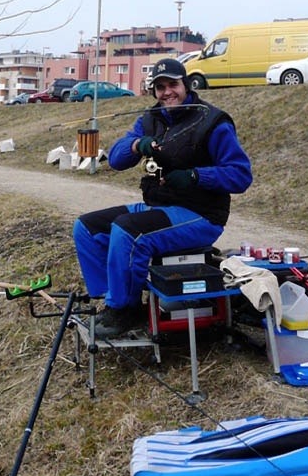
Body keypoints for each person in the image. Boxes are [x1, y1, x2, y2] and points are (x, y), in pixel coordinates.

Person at [73, 58, 253, 338]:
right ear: (153, 91)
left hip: (200, 215)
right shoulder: (149, 119)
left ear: (186, 84)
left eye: (173, 84)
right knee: (86, 228)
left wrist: (195, 176)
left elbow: (241, 176)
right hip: (158, 206)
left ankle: (126, 310)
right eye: (160, 87)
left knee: (127, 232)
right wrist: (136, 144)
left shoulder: (213, 122)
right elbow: (118, 159)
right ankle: (112, 301)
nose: (167, 92)